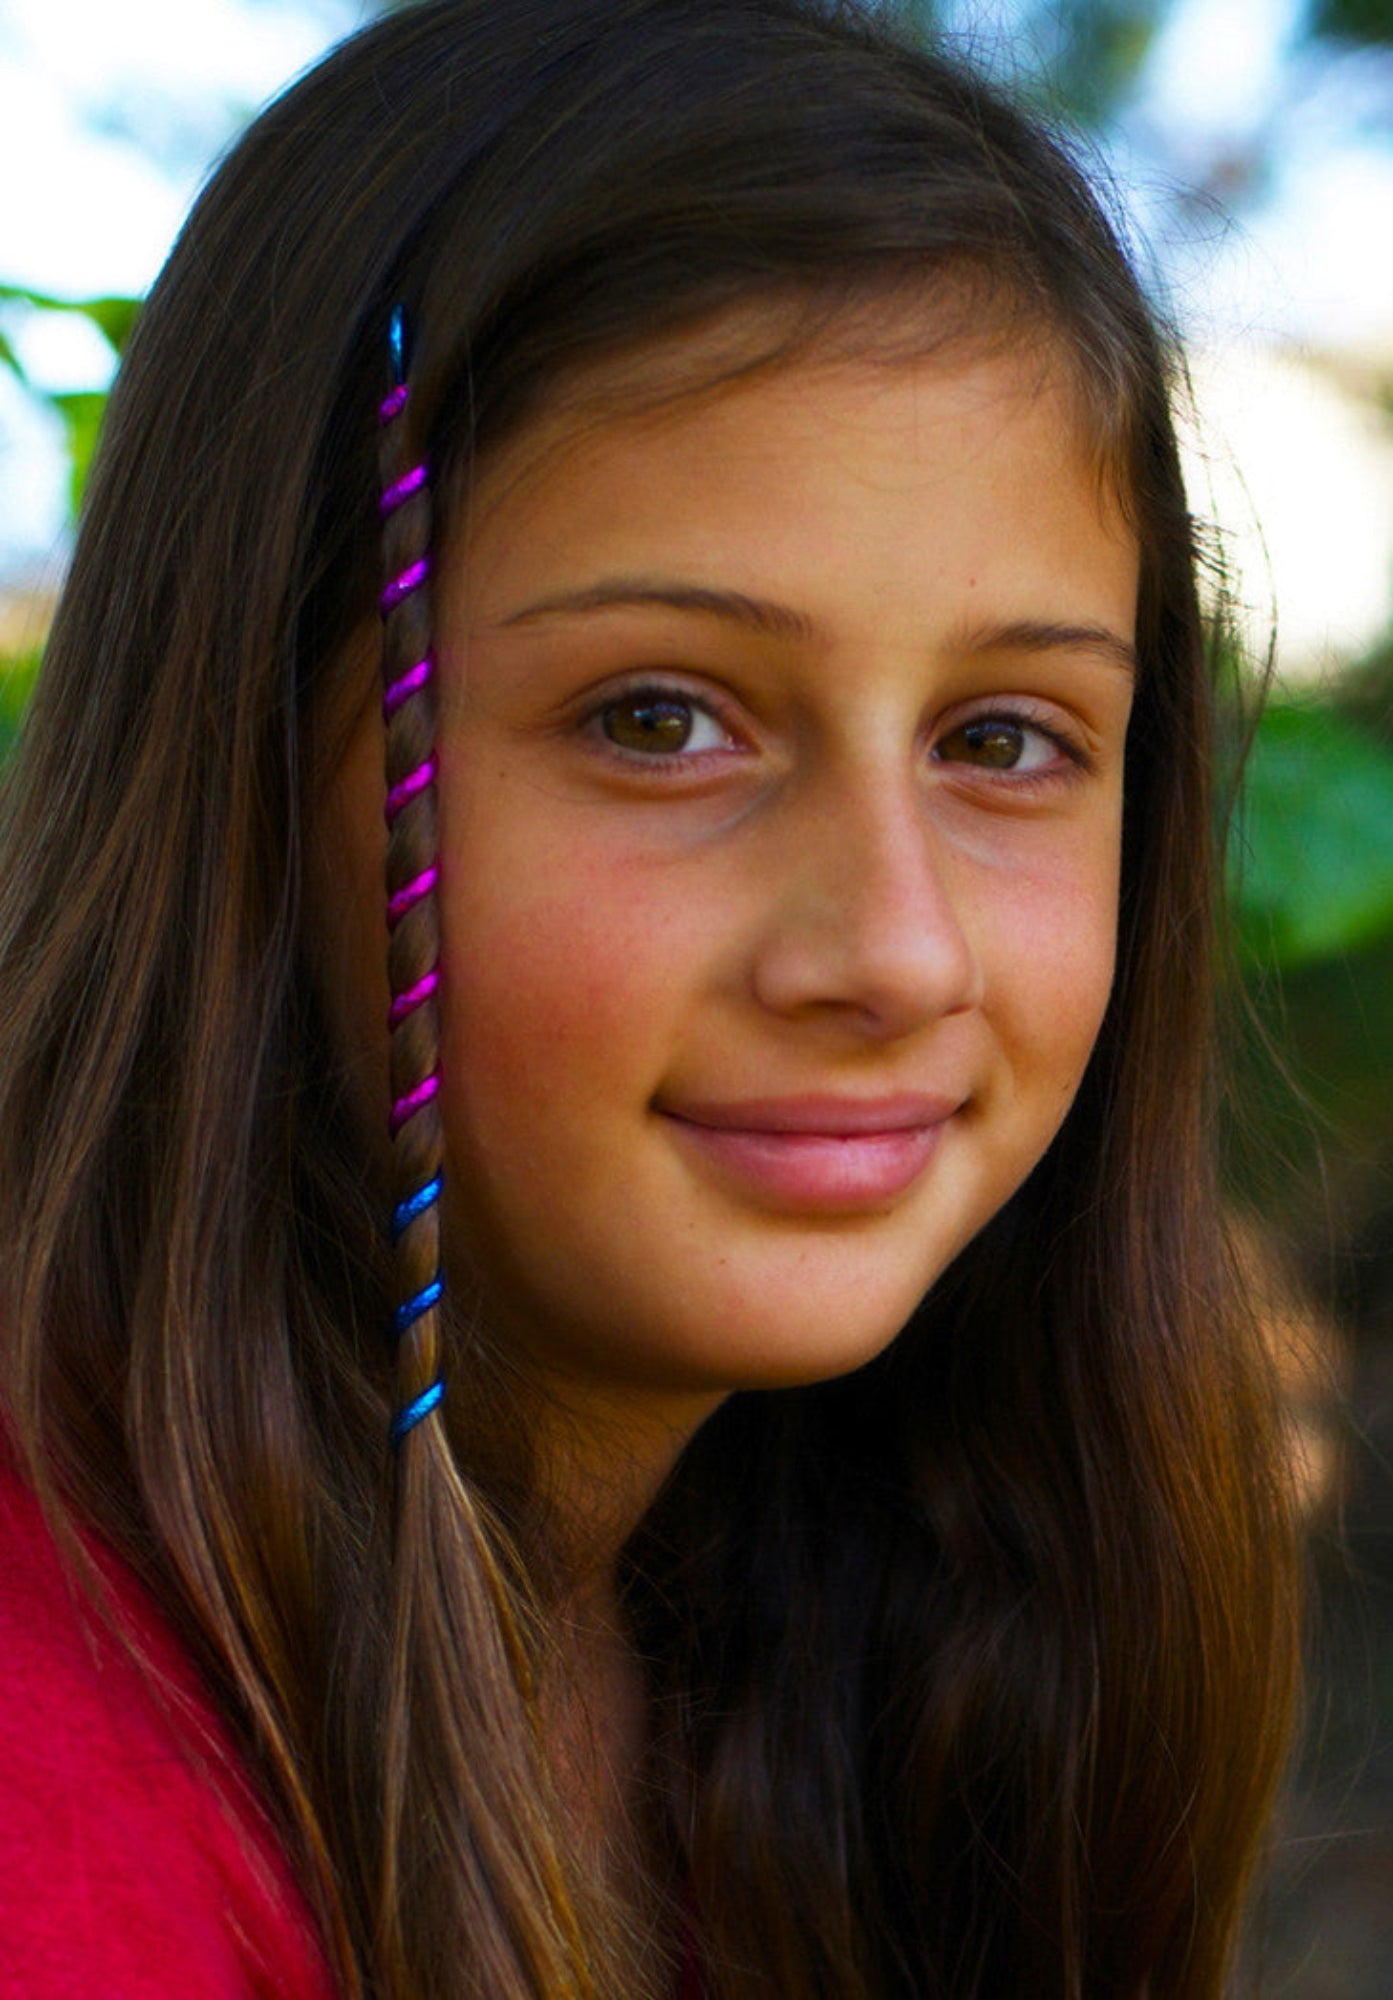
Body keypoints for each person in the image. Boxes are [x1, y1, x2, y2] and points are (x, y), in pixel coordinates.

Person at [0, 1, 1302, 1994]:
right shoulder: (60, 1814)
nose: (892, 949)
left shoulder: (882, 1626)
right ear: (250, 758)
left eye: (1004, 739)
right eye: (659, 719)